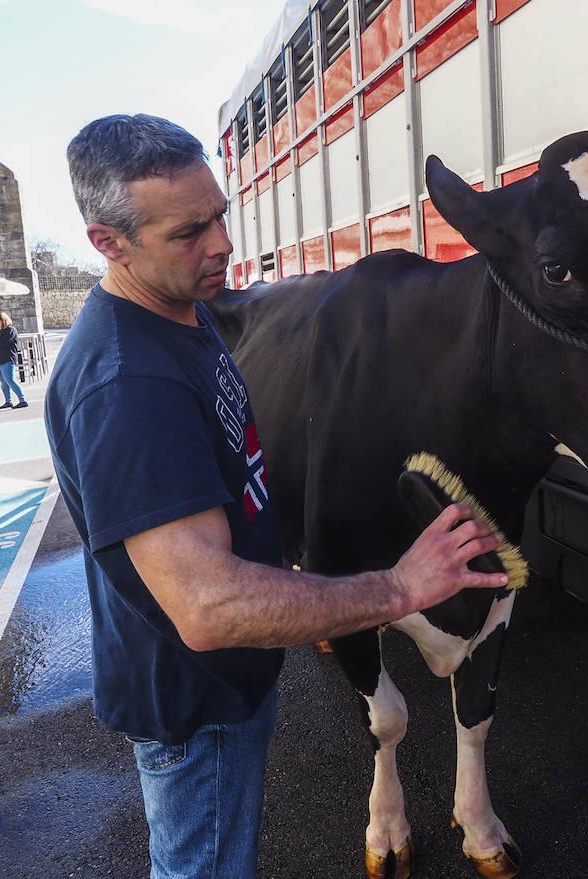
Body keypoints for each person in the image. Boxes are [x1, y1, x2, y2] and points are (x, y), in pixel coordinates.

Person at [46, 114, 509, 879]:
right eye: (188, 231)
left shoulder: (181, 316)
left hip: (232, 685)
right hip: (199, 711)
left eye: (220, 214)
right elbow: (209, 607)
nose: (222, 243)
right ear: (109, 242)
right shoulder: (129, 382)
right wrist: (399, 586)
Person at [0, 311, 26, 409]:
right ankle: (8, 401)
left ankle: (22, 400)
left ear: (2, 320)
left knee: (10, 380)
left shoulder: (10, 330)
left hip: (7, 359)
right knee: (3, 382)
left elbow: (5, 343)